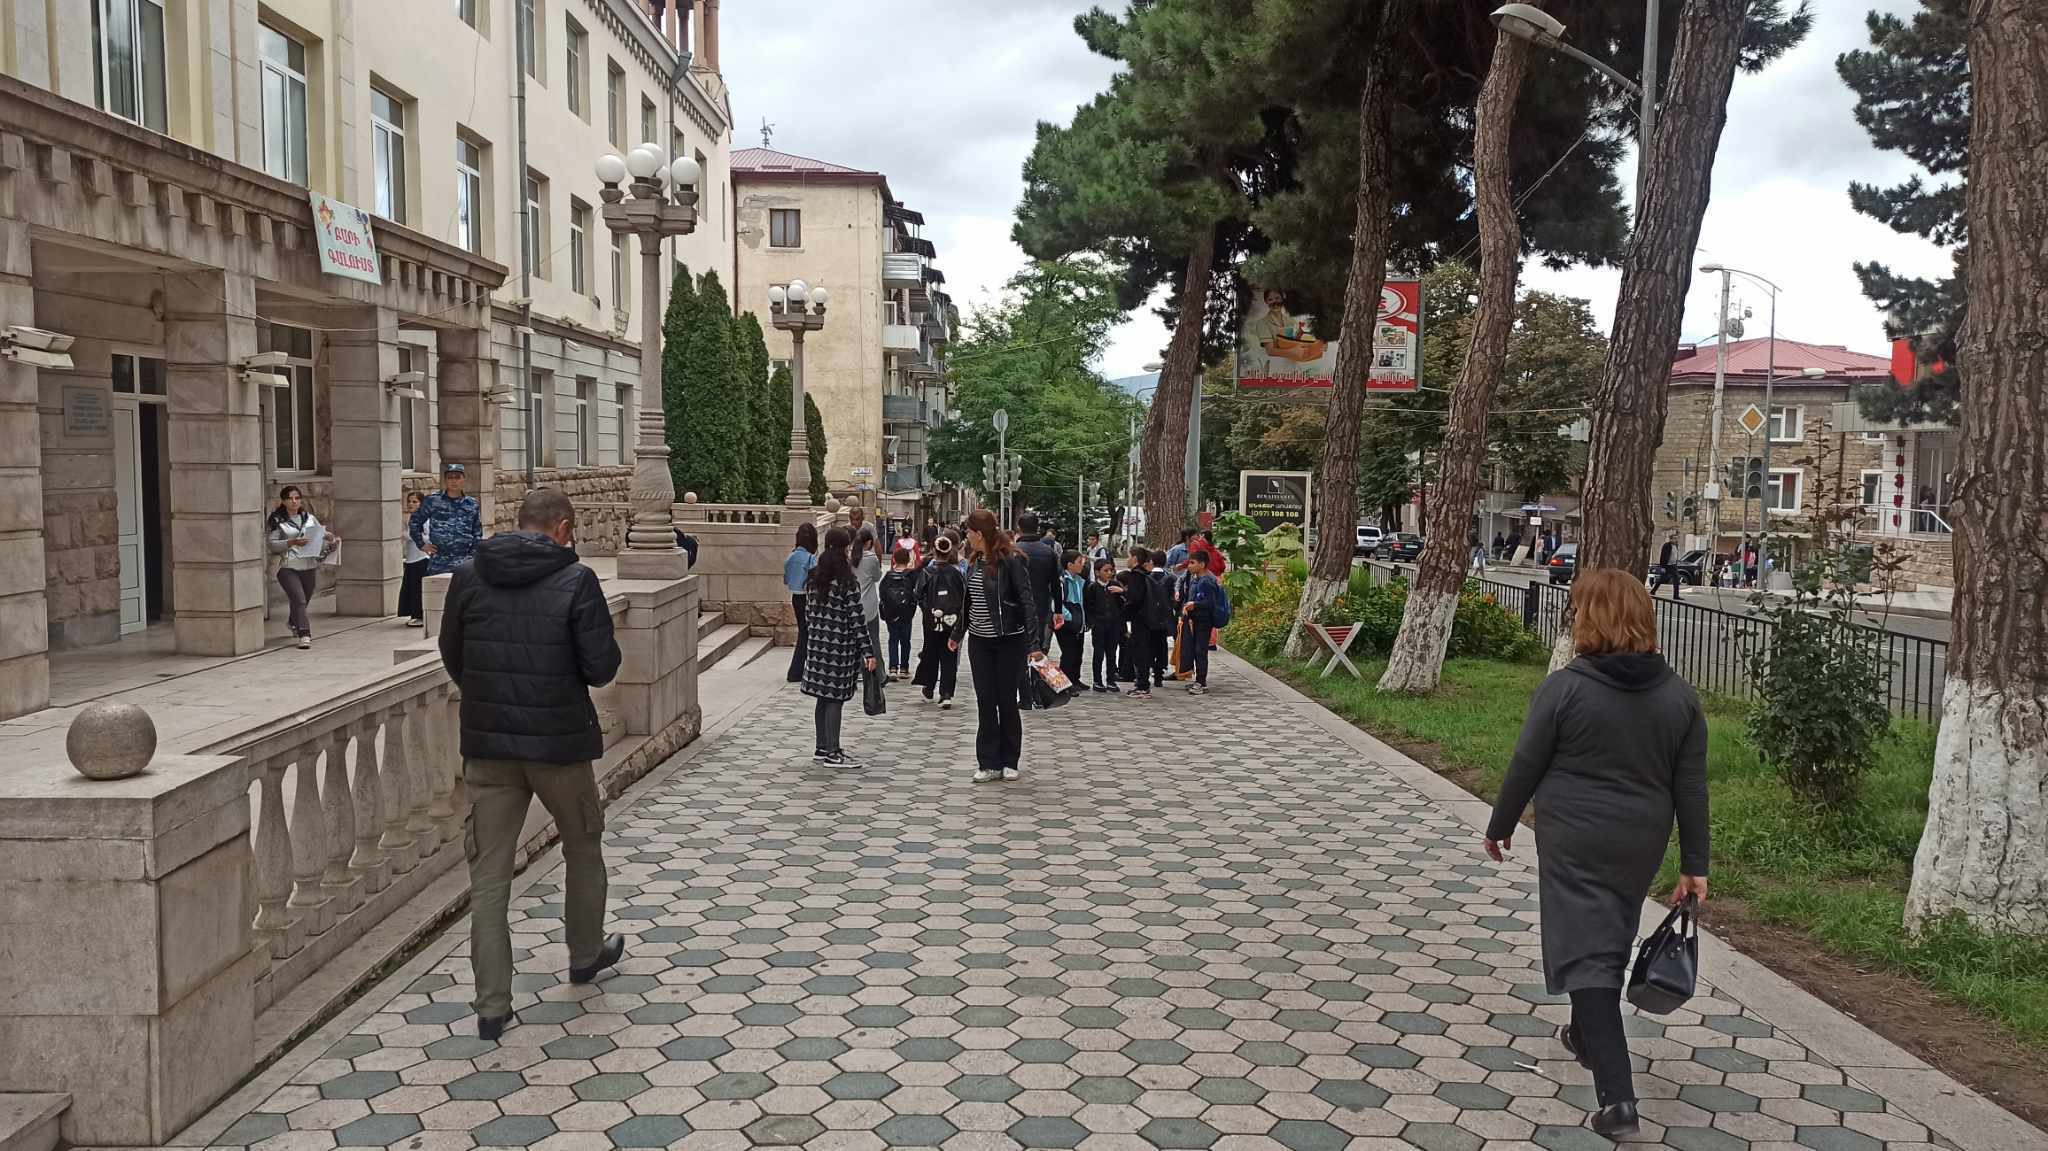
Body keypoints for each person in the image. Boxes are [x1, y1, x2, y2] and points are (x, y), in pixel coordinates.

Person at [1482, 569, 1709, 1139]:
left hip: (1574, 837)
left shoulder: (1566, 688)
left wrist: (1500, 825)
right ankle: (1584, 1035)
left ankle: (1618, 1099)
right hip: (1640, 841)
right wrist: (1695, 865)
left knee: (1588, 954)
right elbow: (1691, 788)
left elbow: (1526, 762)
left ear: (1593, 619)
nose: (1573, 616)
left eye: (1578, 608)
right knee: (1604, 936)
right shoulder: (1680, 698)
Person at [438, 488, 624, 1041]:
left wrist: (492, 696)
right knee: (582, 845)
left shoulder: (468, 576)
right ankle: (585, 953)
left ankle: (492, 1005)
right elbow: (601, 668)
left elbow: (453, 654)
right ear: (563, 527)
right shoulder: (576, 580)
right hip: (559, 746)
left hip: (489, 748)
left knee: (489, 876)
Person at [957, 508, 1040, 782]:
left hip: (1009, 640)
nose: (967, 537)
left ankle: (1009, 760)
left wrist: (1033, 644)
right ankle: (988, 762)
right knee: (985, 701)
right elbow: (968, 604)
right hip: (979, 642)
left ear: (979, 534)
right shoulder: (973, 562)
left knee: (1006, 701)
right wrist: (957, 634)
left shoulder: (1011, 561)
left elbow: (1027, 602)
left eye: (969, 533)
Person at [801, 526, 877, 768]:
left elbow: (808, 615)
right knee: (835, 699)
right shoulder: (846, 582)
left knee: (823, 698)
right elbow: (857, 619)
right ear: (845, 549)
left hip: (818, 648)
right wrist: (868, 651)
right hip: (840, 648)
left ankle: (821, 747)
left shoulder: (814, 578)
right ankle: (833, 752)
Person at [267, 485, 334, 650]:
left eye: (297, 498)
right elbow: (272, 544)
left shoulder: (309, 518)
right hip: (287, 566)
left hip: (308, 566)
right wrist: (292, 542)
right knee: (299, 599)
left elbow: (319, 535)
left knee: (304, 599)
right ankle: (304, 634)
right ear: (283, 501)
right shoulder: (278, 520)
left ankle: (293, 621)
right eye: (290, 498)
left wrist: (328, 537)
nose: (294, 501)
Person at [1013, 512, 1061, 709]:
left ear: (1019, 528)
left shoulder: (1014, 551)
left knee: (1018, 651)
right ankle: (1039, 693)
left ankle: (1025, 696)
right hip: (1041, 606)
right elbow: (1056, 584)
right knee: (1037, 647)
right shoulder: (1048, 552)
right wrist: (1058, 609)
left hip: (1016, 607)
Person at [912, 532, 966, 707]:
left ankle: (929, 686)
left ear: (934, 551)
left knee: (931, 652)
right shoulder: (957, 573)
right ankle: (946, 693)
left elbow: (918, 594)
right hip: (952, 619)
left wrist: (926, 608)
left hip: (931, 618)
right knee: (949, 654)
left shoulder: (927, 572)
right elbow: (964, 595)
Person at [410, 463, 483, 578]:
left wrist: (473, 555)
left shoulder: (472, 504)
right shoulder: (433, 501)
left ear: (464, 480)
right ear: (445, 480)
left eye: (457, 477)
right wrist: (422, 544)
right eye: (450, 477)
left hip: (464, 561)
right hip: (439, 561)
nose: (454, 481)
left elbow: (477, 532)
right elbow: (415, 521)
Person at [1179, 551, 1222, 694]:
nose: (1189, 566)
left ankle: (1201, 682)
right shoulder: (1196, 578)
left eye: (1192, 563)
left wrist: (1195, 605)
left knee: (1200, 650)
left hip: (1204, 621)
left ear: (1202, 564)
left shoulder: (1206, 581)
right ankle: (1199, 680)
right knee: (1196, 649)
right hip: (1196, 619)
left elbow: (1210, 602)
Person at [784, 523, 819, 683]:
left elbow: (787, 580)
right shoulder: (810, 558)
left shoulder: (790, 557)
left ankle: (799, 670)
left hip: (795, 597)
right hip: (807, 598)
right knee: (807, 633)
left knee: (803, 631)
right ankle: (796, 671)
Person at [880, 548, 921, 679]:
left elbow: (882, 593)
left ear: (894, 559)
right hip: (906, 613)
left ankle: (893, 668)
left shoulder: (888, 576)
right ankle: (904, 668)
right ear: (908, 560)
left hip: (891, 613)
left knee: (893, 639)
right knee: (905, 641)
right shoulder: (911, 575)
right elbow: (917, 591)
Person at [1118, 549, 1154, 699]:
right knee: (1142, 652)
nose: (1127, 560)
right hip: (1147, 619)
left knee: (1140, 653)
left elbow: (1135, 599)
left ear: (1134, 559)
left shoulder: (1135, 576)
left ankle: (1142, 686)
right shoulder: (1145, 574)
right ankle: (1142, 684)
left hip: (1140, 620)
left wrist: (1122, 614)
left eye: (1128, 557)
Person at [1086, 558, 1125, 693]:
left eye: (1111, 570)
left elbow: (1122, 605)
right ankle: (1097, 680)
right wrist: (1092, 622)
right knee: (1098, 653)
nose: (1109, 573)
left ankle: (1111, 680)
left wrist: (1121, 592)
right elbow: (1088, 607)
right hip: (1099, 625)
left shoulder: (1115, 586)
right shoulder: (1092, 588)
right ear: (1097, 572)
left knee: (1112, 653)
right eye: (1106, 570)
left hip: (1113, 625)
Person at [1053, 549, 1088, 686]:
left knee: (1078, 653)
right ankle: (1064, 684)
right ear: (1069, 565)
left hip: (1079, 623)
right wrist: (1070, 617)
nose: (1082, 565)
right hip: (1066, 624)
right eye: (1079, 562)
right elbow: (1056, 603)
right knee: (1069, 654)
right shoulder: (1062, 581)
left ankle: (1075, 680)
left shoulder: (1080, 580)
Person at [1147, 550, 1177, 686]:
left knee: (1150, 644)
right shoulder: (1171, 578)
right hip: (1165, 618)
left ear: (1151, 561)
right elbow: (1175, 598)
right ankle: (1159, 673)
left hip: (1149, 617)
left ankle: (1149, 667)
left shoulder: (1147, 577)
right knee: (1162, 645)